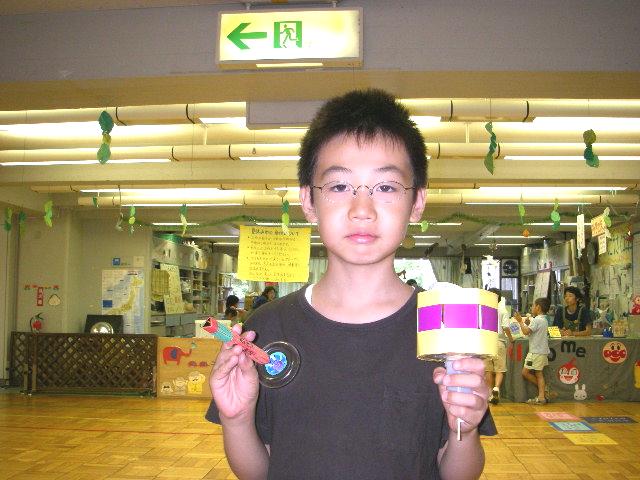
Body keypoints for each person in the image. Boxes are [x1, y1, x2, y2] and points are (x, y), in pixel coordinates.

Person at [207, 89, 496, 479]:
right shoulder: (267, 328)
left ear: (417, 202)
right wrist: (237, 418)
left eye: (387, 187)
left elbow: (459, 472)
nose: (362, 210)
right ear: (308, 201)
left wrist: (467, 427)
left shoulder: (443, 327)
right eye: (340, 187)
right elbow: (257, 473)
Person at [515, 297, 551, 405]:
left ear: (538, 307)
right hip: (540, 351)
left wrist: (520, 321)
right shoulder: (544, 319)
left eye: (533, 305)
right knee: (538, 373)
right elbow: (532, 331)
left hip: (536, 352)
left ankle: (542, 395)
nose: (532, 307)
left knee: (527, 373)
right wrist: (526, 324)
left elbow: (526, 332)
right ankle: (542, 394)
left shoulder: (537, 320)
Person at [485, 288, 514, 405]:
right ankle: (496, 388)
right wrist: (511, 339)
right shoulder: (503, 310)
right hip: (499, 342)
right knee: (499, 369)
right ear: (500, 298)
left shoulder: (484, 309)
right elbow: (506, 327)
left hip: (486, 342)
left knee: (488, 370)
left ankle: (490, 394)